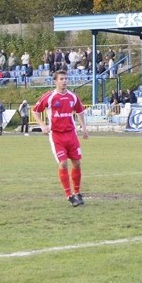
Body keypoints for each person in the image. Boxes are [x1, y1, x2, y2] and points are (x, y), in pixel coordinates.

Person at [31, 70, 89, 207]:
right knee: (63, 163)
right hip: (57, 135)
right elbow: (35, 111)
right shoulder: (49, 97)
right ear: (55, 81)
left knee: (77, 163)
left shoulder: (72, 97)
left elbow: (80, 111)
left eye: (65, 78)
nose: (64, 81)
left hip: (72, 134)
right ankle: (69, 195)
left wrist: (84, 128)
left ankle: (77, 192)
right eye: (61, 79)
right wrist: (43, 125)